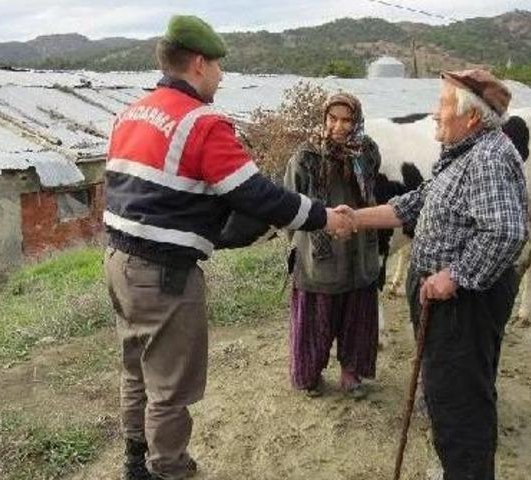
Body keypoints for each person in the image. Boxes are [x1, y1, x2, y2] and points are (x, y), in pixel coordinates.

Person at [103, 15, 354, 480]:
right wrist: (322, 216)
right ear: (198, 64)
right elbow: (254, 194)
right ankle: (168, 470)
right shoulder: (202, 121)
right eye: (218, 66)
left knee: (137, 367)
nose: (221, 76)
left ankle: (134, 462)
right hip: (164, 274)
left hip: (118, 261)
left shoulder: (130, 112)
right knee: (170, 389)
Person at [349, 69, 528, 480]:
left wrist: (456, 276)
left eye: (443, 104)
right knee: (449, 391)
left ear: (472, 117)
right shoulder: (464, 154)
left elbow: (506, 231)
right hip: (446, 299)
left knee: (460, 401)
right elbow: (413, 204)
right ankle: (453, 466)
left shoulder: (486, 159)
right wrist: (353, 218)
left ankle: (464, 470)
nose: (435, 113)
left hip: (462, 303)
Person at [283, 93, 383, 398]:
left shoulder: (367, 152)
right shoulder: (306, 156)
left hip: (359, 249)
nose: (338, 126)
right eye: (332, 118)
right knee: (316, 319)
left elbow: (370, 194)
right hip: (319, 254)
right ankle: (310, 375)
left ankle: (351, 374)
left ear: (357, 121)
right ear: (324, 118)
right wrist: (306, 244)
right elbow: (289, 206)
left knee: (356, 315)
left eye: (347, 120)